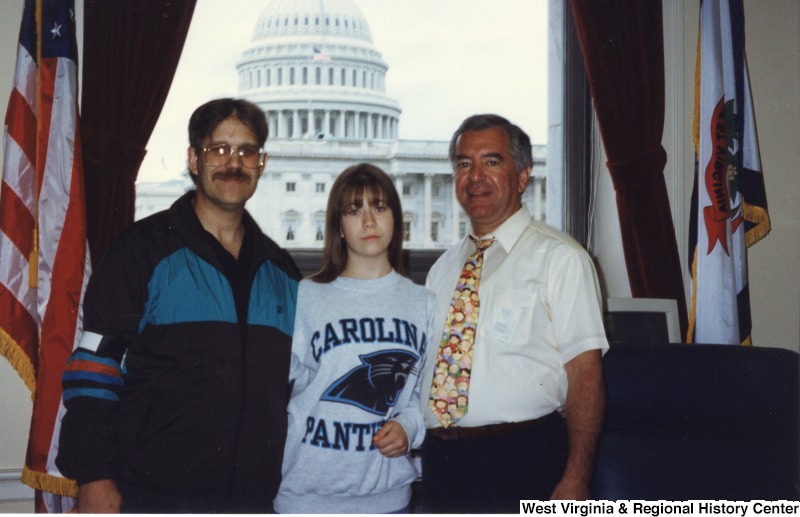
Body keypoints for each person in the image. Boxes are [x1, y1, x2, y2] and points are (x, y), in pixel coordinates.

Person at [56, 98, 301, 513]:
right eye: (218, 149)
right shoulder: (140, 251)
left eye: (246, 151)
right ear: (193, 159)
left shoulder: (282, 271)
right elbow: (93, 371)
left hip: (255, 499)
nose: (233, 163)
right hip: (154, 495)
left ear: (262, 162)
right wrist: (94, 477)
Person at [419, 114, 608, 513]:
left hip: (523, 458)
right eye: (464, 164)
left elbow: (585, 374)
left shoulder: (561, 259)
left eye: (491, 162)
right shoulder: (442, 270)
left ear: (522, 176)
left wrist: (577, 478)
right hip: (442, 463)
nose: (475, 177)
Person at [273, 163, 435, 514]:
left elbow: (429, 394)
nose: (368, 221)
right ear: (338, 227)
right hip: (305, 497)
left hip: (387, 498)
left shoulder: (423, 303)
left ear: (395, 217)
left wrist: (409, 427)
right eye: (353, 210)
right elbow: (270, 388)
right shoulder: (305, 296)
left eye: (379, 207)